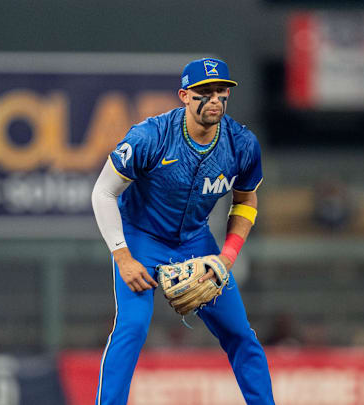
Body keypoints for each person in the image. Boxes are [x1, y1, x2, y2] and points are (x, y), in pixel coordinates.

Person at [91, 57, 275, 405]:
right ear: (184, 96)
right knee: (132, 328)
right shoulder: (151, 136)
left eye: (221, 91)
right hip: (141, 237)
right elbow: (103, 192)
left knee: (240, 334)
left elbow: (246, 200)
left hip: (195, 240)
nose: (215, 99)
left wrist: (226, 257)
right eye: (204, 92)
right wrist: (123, 256)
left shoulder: (241, 144)